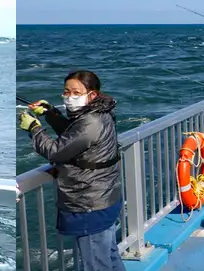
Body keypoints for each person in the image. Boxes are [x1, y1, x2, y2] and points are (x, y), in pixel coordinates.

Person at [21, 70, 123, 271]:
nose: (69, 97)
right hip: (105, 197)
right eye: (66, 92)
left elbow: (56, 152)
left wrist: (34, 128)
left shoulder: (90, 122)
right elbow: (74, 136)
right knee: (109, 255)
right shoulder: (100, 113)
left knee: (95, 264)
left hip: (89, 203)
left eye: (76, 92)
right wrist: (50, 113)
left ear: (92, 95)